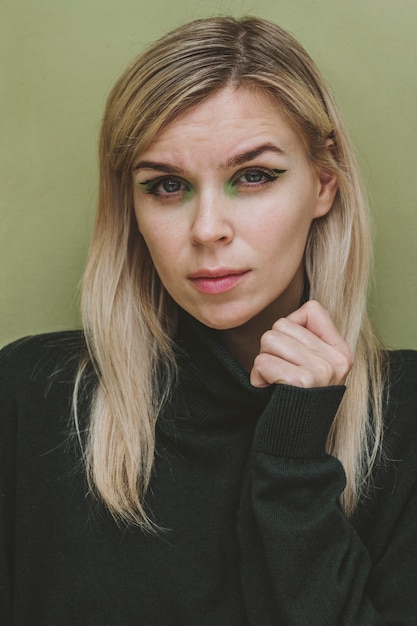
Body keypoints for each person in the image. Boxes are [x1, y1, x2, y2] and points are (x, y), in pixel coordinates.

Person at [1, 15, 416, 625]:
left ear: (324, 184)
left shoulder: (403, 419)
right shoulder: (34, 395)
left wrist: (296, 459)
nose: (206, 230)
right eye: (167, 186)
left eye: (254, 176)